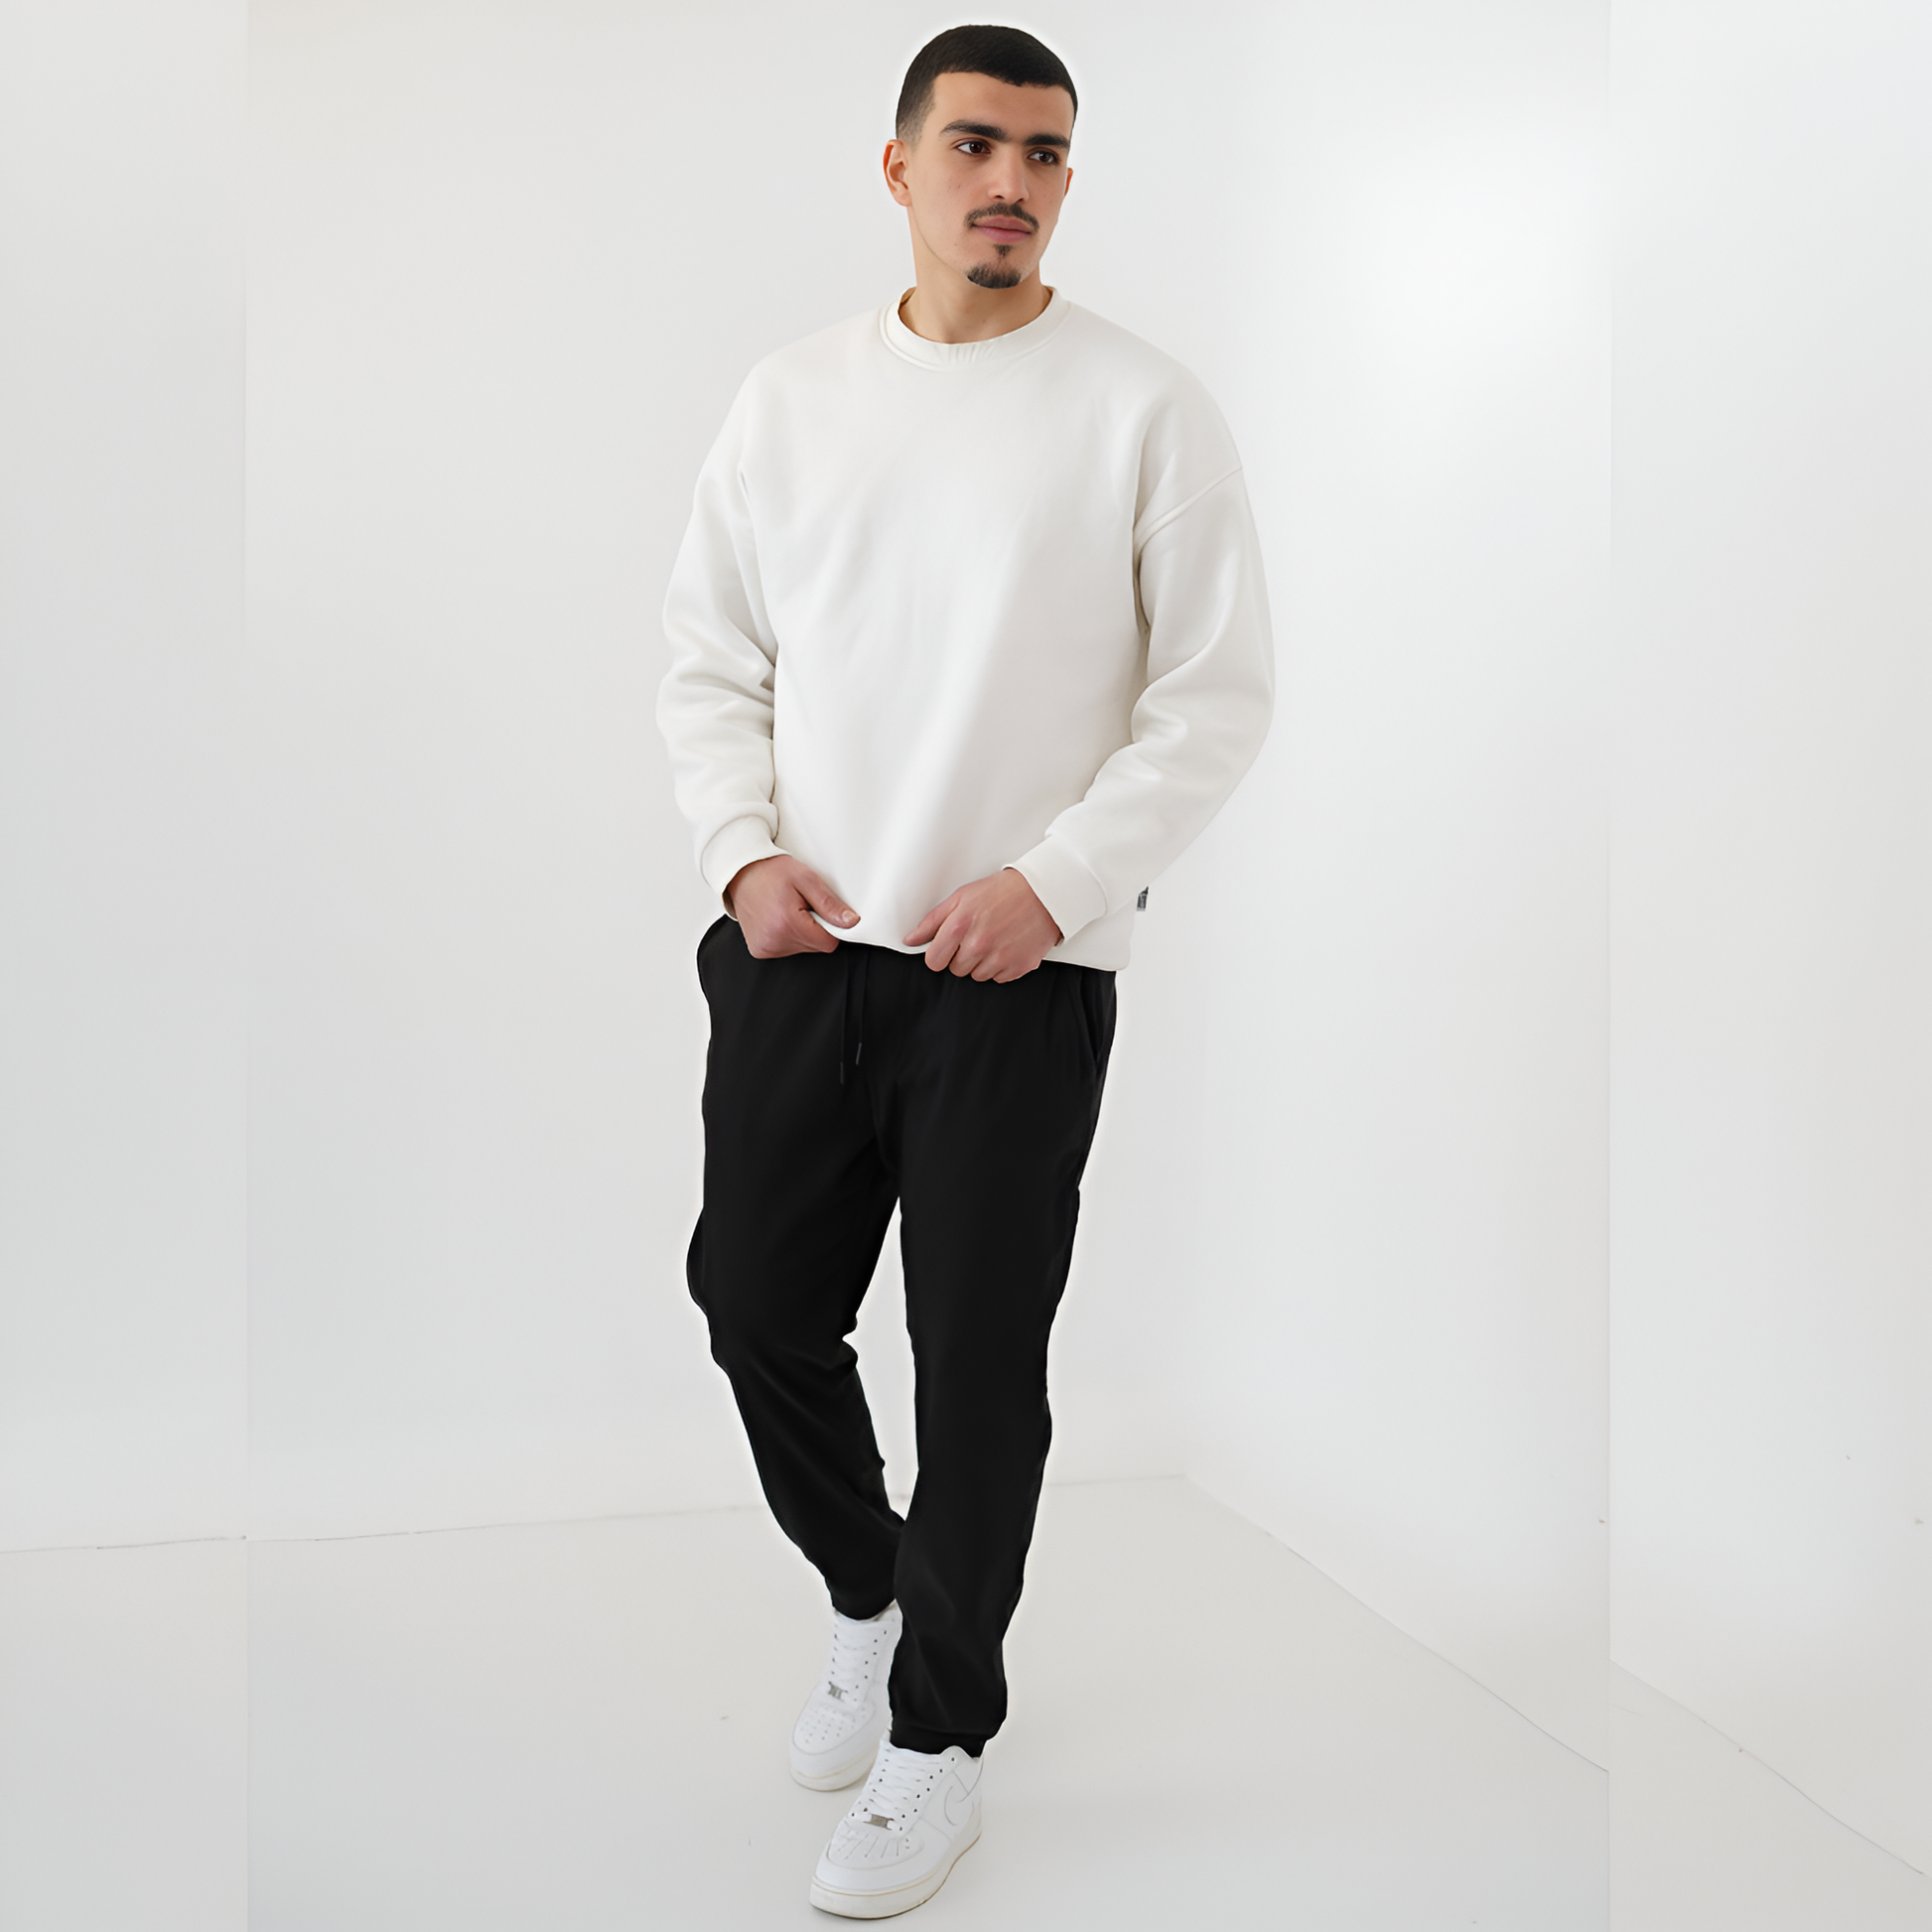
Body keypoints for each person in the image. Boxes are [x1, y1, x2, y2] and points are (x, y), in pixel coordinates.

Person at [657, 22, 1273, 1917]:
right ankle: (875, 1593)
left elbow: (1213, 698)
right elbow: (709, 655)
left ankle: (937, 1738)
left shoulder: (1143, 409)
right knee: (753, 1300)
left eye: (1047, 152)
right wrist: (740, 849)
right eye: (978, 144)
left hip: (1013, 979)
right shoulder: (789, 398)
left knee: (979, 1364)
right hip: (799, 950)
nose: (1013, 181)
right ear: (901, 165)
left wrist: (1055, 881)